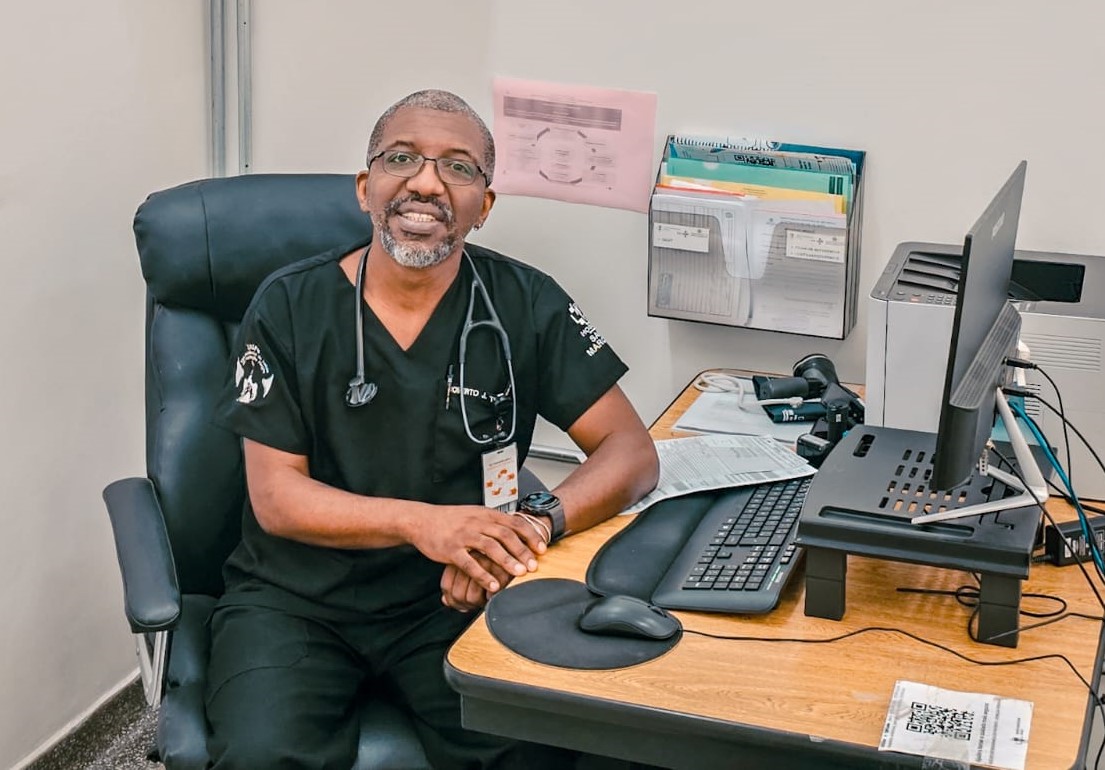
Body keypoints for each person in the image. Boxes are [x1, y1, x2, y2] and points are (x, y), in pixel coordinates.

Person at [206, 88, 659, 769]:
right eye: (401, 159)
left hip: (452, 596)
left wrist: (529, 528)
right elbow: (277, 499)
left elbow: (630, 453)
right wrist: (429, 525)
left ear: (484, 205)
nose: (426, 182)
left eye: (459, 168)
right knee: (260, 757)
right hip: (295, 602)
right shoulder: (290, 305)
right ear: (366, 188)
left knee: (544, 751)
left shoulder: (526, 303)